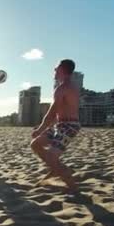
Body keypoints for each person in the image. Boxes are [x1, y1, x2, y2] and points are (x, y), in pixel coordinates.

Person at [30, 59, 80, 191]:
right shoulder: (69, 86)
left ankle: (74, 188)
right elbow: (59, 112)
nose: (54, 70)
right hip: (60, 124)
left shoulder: (63, 88)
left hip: (69, 126)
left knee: (51, 157)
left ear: (62, 69)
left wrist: (40, 129)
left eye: (56, 67)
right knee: (35, 144)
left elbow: (52, 112)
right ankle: (56, 168)